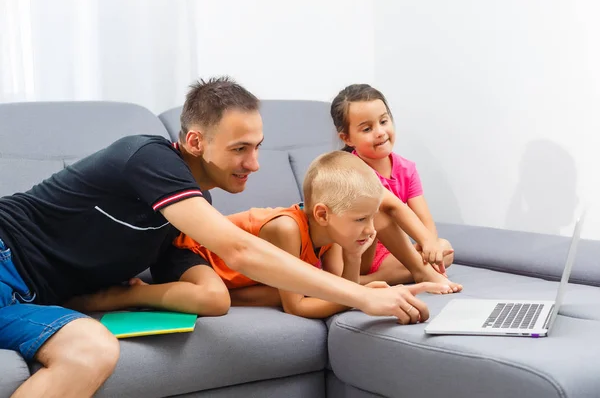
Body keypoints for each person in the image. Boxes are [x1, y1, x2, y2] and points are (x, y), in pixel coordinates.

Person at [0, 77, 433, 398]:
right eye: (240, 148)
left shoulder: (188, 207)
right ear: (194, 141)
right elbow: (239, 249)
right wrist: (361, 297)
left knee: (93, 350)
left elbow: (205, 278)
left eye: (259, 146)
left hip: (33, 299)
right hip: (5, 254)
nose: (256, 163)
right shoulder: (147, 157)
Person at [165, 151, 451, 319]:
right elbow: (297, 307)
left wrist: (354, 256)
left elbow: (340, 286)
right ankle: (133, 294)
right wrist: (362, 296)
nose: (369, 229)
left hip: (241, 275)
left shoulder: (333, 237)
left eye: (370, 218)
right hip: (188, 254)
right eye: (361, 219)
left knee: (298, 287)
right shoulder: (287, 229)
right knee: (217, 300)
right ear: (323, 215)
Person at [330, 83, 462, 290]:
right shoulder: (351, 169)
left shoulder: (406, 168)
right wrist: (424, 249)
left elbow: (425, 222)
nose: (380, 132)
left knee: (445, 250)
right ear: (347, 138)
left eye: (384, 121)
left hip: (391, 253)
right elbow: (392, 207)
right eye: (367, 129)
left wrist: (430, 244)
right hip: (358, 253)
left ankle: (367, 282)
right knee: (376, 209)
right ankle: (419, 272)